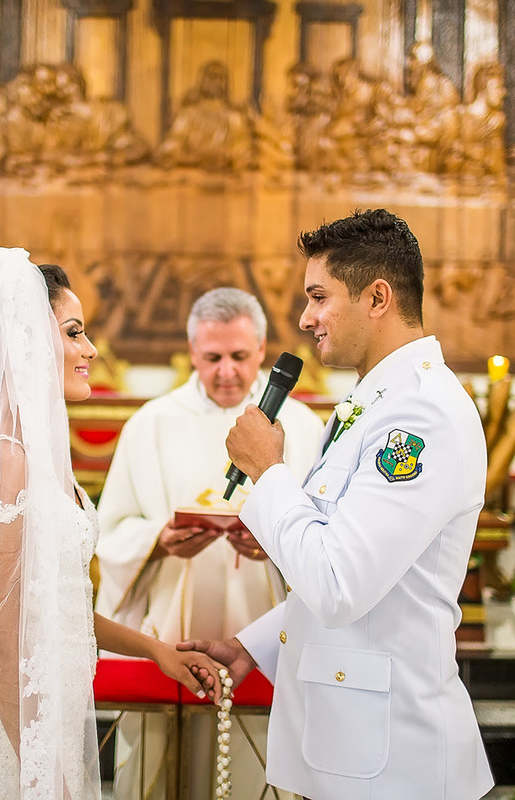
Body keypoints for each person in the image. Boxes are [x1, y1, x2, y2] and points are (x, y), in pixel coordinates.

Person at [0, 248, 222, 799]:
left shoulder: (37, 452)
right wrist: (40, 774)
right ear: (24, 339)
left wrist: (155, 650)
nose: (90, 350)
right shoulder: (2, 460)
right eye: (75, 333)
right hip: (7, 726)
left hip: (47, 711)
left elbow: (57, 604)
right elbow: (0, 640)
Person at [181, 210, 495, 799]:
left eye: (319, 297)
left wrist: (268, 471)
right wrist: (252, 645)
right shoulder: (372, 400)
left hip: (396, 761)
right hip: (354, 746)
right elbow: (362, 570)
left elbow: (337, 581)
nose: (306, 318)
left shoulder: (421, 416)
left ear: (377, 297)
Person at [95, 287, 323, 798]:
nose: (225, 372)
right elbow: (110, 533)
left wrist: (275, 545)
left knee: (255, 773)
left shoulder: (303, 428)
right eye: (212, 357)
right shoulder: (151, 424)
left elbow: (325, 538)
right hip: (173, 633)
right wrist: (158, 539)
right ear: (191, 351)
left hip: (263, 638)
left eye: (239, 357)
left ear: (262, 350)